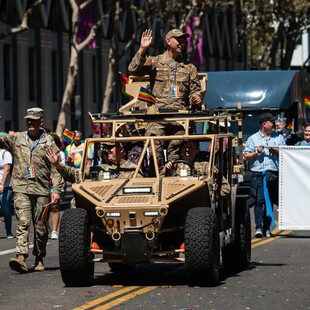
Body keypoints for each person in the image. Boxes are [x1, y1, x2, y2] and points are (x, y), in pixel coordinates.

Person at [128, 28, 202, 171]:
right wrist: (142, 49)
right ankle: (159, 180)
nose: (182, 43)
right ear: (168, 41)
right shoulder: (155, 62)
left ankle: (174, 177)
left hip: (179, 116)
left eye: (183, 40)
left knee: (176, 148)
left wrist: (195, 97)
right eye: (178, 39)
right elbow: (133, 69)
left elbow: (195, 90)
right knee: (155, 150)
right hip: (157, 116)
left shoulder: (189, 68)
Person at [0, 108, 63, 273]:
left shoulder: (49, 141)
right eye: (28, 120)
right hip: (20, 189)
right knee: (23, 222)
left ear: (41, 122)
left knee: (41, 226)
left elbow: (57, 169)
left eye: (34, 120)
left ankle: (40, 257)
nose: (30, 123)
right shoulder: (17, 138)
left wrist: (55, 189)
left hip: (42, 191)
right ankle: (21, 256)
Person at [243, 112, 286, 238]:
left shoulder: (278, 138)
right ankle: (258, 228)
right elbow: (246, 156)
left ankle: (267, 228)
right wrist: (257, 151)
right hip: (258, 174)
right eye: (271, 122)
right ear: (264, 124)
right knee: (259, 201)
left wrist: (276, 151)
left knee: (270, 201)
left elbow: (285, 154)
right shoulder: (253, 139)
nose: (274, 124)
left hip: (273, 173)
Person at [46, 141, 139, 182]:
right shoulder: (100, 168)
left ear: (121, 149)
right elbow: (76, 174)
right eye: (105, 148)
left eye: (110, 147)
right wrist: (57, 164)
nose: (106, 150)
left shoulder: (133, 170)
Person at [165, 140, 230, 197]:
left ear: (197, 150)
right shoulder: (174, 166)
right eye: (185, 147)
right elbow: (162, 186)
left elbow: (225, 188)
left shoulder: (206, 166)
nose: (187, 149)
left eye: (191, 147)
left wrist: (211, 193)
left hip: (200, 202)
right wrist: (170, 170)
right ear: (181, 150)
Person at [48, 132, 66, 240]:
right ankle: (46, 228)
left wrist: (57, 187)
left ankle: (54, 230)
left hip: (55, 181)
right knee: (42, 208)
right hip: (42, 182)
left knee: (55, 206)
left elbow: (61, 169)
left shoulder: (61, 154)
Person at [0, 135, 14, 239]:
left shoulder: (5, 154)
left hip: (5, 186)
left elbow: (7, 170)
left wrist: (2, 184)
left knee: (5, 209)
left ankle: (8, 232)